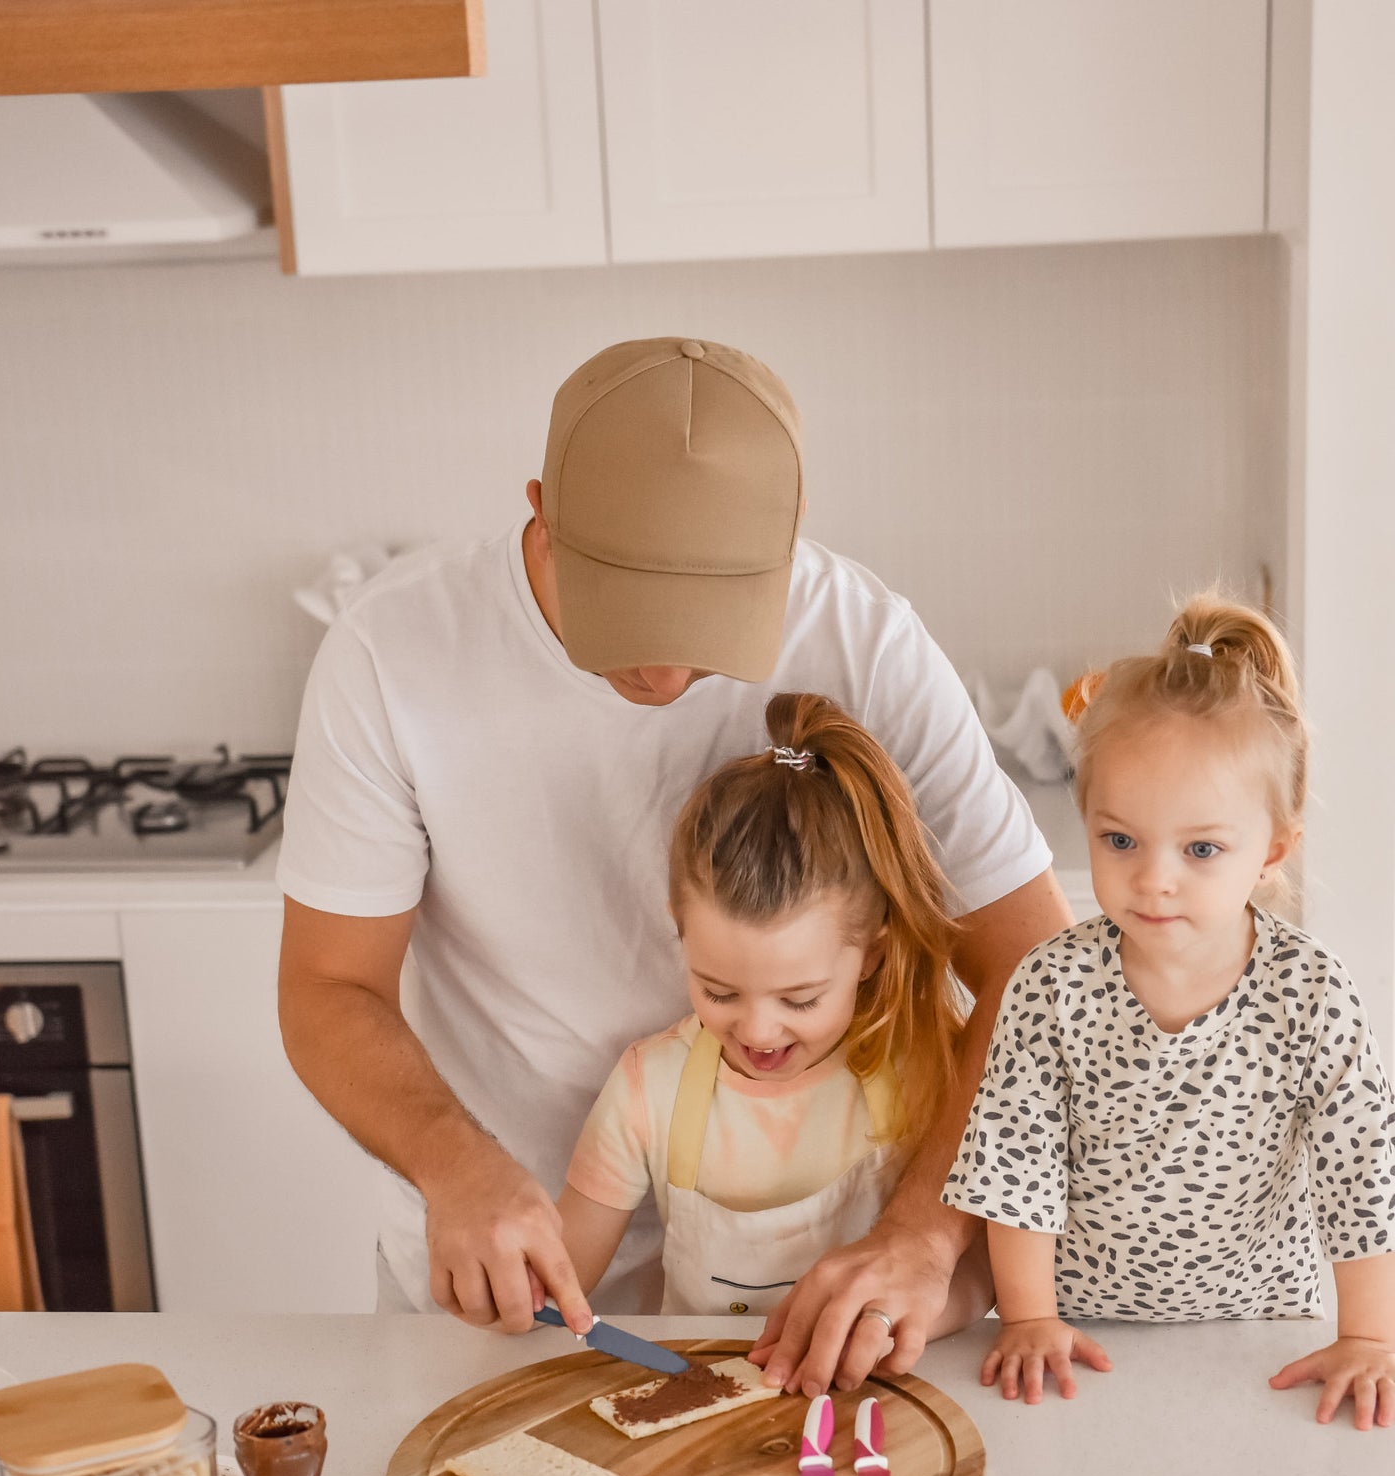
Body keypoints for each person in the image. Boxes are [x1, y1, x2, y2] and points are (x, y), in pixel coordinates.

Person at [276, 335, 1071, 1394]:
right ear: (541, 511)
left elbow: (1039, 972)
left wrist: (923, 1233)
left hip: (826, 1284)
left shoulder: (865, 641)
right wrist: (453, 1168)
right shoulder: (392, 653)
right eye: (618, 621)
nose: (656, 669)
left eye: (700, 635)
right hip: (512, 1272)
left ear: (781, 551)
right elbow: (328, 986)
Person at [942, 596, 1395, 1428]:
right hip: (1085, 1333)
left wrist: (1369, 1335)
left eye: (1200, 850)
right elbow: (1016, 1168)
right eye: (1120, 840)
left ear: (1274, 851)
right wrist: (1032, 1316)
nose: (1154, 878)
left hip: (1263, 1334)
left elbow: (1361, 1173)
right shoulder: (1050, 986)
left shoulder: (1313, 994)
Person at [559, 690, 993, 1345]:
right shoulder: (650, 1090)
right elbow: (562, 1279)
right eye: (718, 991)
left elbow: (983, 1267)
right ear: (680, 933)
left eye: (800, 999)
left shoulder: (924, 1070)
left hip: (876, 1406)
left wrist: (925, 1315)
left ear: (871, 954)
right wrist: (515, 1280)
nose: (758, 1032)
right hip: (705, 1416)